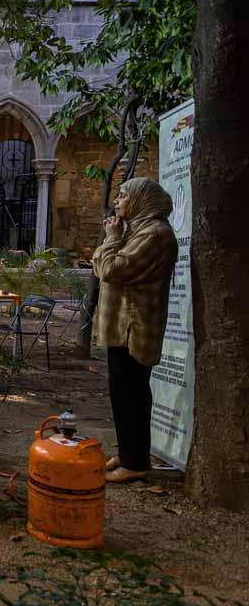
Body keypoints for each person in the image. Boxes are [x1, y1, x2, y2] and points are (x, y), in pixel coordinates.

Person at [93, 177, 178, 484]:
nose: (117, 201)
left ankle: (136, 461)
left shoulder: (156, 234)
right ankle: (128, 453)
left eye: (123, 196)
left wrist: (112, 239)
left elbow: (112, 269)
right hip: (122, 329)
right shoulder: (137, 232)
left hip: (135, 329)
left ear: (142, 200)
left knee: (133, 394)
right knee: (122, 394)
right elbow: (101, 266)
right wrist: (112, 241)